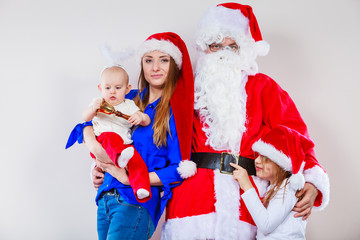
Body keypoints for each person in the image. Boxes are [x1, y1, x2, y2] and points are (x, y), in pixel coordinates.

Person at [162, 3, 330, 240]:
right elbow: (151, 137)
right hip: (191, 205)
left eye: (232, 46)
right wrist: (110, 168)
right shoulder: (186, 89)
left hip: (247, 204)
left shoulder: (263, 87)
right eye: (215, 45)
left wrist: (313, 181)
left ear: (244, 51)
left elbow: (296, 138)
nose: (223, 52)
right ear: (204, 48)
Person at [87, 32, 194, 240]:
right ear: (142, 65)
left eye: (163, 60)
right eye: (149, 60)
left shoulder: (175, 114)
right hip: (106, 198)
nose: (155, 67)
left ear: (174, 66)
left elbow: (179, 169)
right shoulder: (126, 97)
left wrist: (131, 180)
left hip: (135, 203)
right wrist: (96, 159)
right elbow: (88, 124)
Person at [80, 65, 152, 202]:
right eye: (107, 88)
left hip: (125, 146)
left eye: (118, 88)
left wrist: (141, 118)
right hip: (103, 141)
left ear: (127, 89)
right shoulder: (99, 103)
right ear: (100, 88)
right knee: (111, 137)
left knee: (137, 162)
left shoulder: (129, 104)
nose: (112, 92)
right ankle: (119, 158)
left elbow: (145, 119)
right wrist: (93, 110)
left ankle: (141, 189)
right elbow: (85, 117)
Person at [231, 125, 315, 239]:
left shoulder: (288, 187)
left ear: (281, 163)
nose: (257, 161)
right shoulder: (275, 187)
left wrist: (246, 185)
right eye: (259, 155)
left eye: (265, 158)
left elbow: (266, 225)